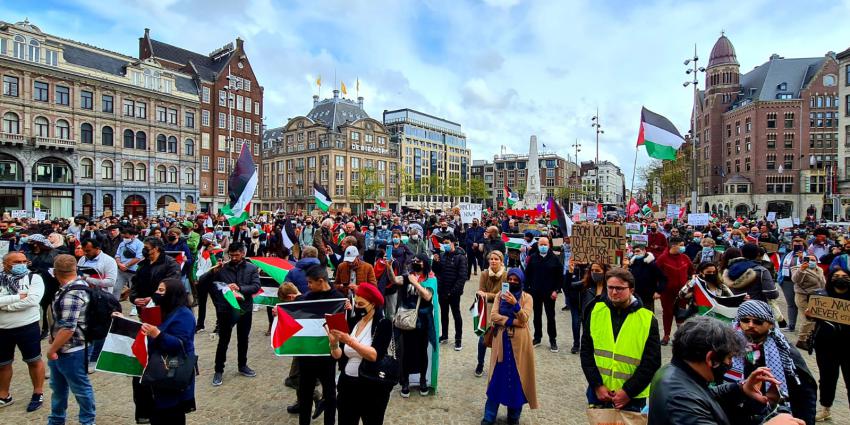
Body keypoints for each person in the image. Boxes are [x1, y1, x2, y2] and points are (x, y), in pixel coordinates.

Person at [648, 316, 806, 425]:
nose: (730, 363)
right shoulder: (681, 401)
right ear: (711, 358)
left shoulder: (676, 371)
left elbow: (706, 395)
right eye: (729, 358)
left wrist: (740, 388)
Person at [722, 300, 817, 425]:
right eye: (745, 320)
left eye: (758, 321)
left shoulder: (785, 351)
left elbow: (805, 392)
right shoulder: (728, 347)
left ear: (770, 324)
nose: (750, 325)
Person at [581, 267, 661, 412]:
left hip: (632, 397)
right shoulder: (596, 311)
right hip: (600, 393)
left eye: (619, 288)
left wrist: (627, 392)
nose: (614, 292)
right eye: (610, 287)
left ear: (631, 290)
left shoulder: (647, 319)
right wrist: (597, 385)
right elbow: (586, 352)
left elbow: (652, 362)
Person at [133, 278, 197, 425]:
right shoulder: (161, 310)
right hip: (156, 371)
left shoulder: (184, 314)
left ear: (173, 293)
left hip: (172, 371)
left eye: (161, 290)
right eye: (157, 289)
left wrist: (158, 334)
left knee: (171, 414)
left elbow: (180, 344)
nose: (157, 293)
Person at [329, 283, 394, 425]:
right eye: (356, 303)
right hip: (347, 385)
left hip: (371, 387)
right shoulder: (353, 322)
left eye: (361, 304)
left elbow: (374, 355)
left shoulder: (383, 324)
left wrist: (350, 341)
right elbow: (339, 355)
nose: (358, 307)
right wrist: (334, 343)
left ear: (373, 304)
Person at [481, 268, 537, 425]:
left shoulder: (527, 298)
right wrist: (512, 321)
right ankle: (489, 416)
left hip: (519, 345)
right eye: (510, 279)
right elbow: (493, 316)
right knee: (496, 379)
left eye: (515, 280)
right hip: (501, 342)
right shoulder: (500, 295)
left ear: (521, 281)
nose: (512, 282)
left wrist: (515, 305)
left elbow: (524, 319)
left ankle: (513, 417)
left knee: (518, 381)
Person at [200, 242, 260, 386]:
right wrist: (213, 272)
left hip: (244, 308)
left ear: (243, 254)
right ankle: (218, 370)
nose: (233, 258)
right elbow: (202, 282)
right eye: (231, 255)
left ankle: (242, 365)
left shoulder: (251, 268)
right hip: (226, 309)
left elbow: (256, 286)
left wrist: (240, 288)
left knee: (243, 338)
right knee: (223, 340)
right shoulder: (222, 268)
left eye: (236, 255)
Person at [45, 254, 96, 425]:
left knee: (80, 388)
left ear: (55, 272)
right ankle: (56, 419)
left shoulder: (71, 294)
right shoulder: (80, 285)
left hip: (73, 349)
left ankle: (87, 422)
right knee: (58, 387)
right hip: (69, 346)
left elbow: (68, 328)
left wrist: (52, 350)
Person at [294, 265, 344, 425]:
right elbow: (294, 309)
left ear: (321, 281)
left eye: (310, 282)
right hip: (307, 355)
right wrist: (279, 311)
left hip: (326, 355)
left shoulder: (338, 299)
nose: (307, 285)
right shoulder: (308, 297)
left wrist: (349, 310)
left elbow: (343, 329)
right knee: (305, 395)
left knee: (330, 395)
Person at [0, 251, 46, 412]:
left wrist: (5, 307)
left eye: (24, 261)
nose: (21, 264)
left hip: (28, 326)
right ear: (5, 264)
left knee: (34, 360)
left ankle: (38, 392)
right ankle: (4, 395)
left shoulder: (34, 278)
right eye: (16, 262)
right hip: (3, 328)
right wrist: (18, 297)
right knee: (3, 364)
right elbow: (24, 299)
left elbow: (32, 300)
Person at [809, 264, 850, 421]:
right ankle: (826, 408)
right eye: (836, 276)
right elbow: (813, 317)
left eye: (845, 277)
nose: (841, 279)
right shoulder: (821, 297)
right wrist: (810, 314)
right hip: (826, 346)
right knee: (827, 379)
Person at [398, 253, 437, 397]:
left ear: (425, 263)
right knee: (407, 351)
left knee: (422, 351)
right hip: (408, 320)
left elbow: (427, 296)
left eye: (418, 261)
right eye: (414, 260)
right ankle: (405, 381)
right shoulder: (408, 276)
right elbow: (394, 280)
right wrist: (388, 267)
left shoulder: (431, 279)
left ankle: (422, 380)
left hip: (423, 321)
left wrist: (415, 283)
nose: (415, 262)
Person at [77, 236, 118, 368]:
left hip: (102, 299)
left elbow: (111, 281)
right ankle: (87, 356)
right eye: (84, 250)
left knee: (100, 331)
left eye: (88, 250)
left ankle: (95, 359)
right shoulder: (83, 259)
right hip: (85, 297)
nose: (85, 253)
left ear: (97, 248)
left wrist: (89, 279)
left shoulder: (108, 261)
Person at [523, 236, 562, 352]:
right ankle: (537, 337)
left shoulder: (555, 259)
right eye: (541, 244)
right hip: (535, 292)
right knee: (537, 316)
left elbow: (560, 277)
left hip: (550, 293)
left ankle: (553, 340)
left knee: (550, 317)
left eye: (545, 244)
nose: (543, 246)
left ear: (549, 245)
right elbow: (527, 275)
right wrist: (527, 289)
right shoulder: (533, 258)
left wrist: (556, 290)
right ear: (538, 245)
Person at [656, 236, 695, 345]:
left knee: (681, 313)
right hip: (667, 293)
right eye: (681, 245)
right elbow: (655, 274)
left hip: (682, 293)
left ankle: (680, 335)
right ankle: (666, 336)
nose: (683, 247)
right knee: (667, 313)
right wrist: (658, 290)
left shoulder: (685, 258)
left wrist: (690, 282)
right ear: (673, 246)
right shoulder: (662, 259)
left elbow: (692, 272)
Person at [432, 235, 467, 350]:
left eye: (447, 242)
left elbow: (462, 277)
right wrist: (435, 262)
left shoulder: (460, 257)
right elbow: (436, 271)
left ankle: (458, 339)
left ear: (453, 243)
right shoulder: (442, 255)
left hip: (454, 293)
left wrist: (453, 291)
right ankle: (444, 335)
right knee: (444, 314)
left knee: (456, 315)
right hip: (442, 291)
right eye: (444, 243)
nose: (445, 245)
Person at [475, 250, 507, 377]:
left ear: (501, 261)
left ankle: (497, 366)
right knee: (482, 339)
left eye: (496, 259)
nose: (493, 261)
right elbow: (480, 292)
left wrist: (488, 295)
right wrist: (492, 295)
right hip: (486, 309)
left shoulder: (506, 275)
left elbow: (503, 296)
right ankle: (480, 363)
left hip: (500, 309)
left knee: (499, 340)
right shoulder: (484, 274)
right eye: (491, 259)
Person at [27, 234, 59, 339]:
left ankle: (46, 328)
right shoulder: (28, 253)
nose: (29, 244)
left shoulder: (51, 253)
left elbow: (49, 266)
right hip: (32, 283)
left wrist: (35, 265)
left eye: (31, 242)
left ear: (37, 243)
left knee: (46, 307)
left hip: (48, 284)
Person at [789, 254, 824, 350]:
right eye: (809, 260)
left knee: (815, 319)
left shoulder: (819, 269)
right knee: (808, 318)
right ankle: (801, 340)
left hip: (816, 297)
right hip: (803, 297)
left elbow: (822, 282)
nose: (811, 262)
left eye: (813, 260)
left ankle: (809, 338)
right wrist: (802, 270)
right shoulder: (797, 268)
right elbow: (795, 280)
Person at [193, 233, 221, 333]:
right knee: (201, 304)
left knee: (216, 303)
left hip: (212, 280)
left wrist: (211, 253)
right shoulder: (200, 250)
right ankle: (200, 325)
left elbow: (215, 265)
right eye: (203, 239)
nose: (203, 241)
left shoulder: (218, 251)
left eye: (205, 239)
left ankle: (219, 325)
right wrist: (194, 277)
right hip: (201, 280)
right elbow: (195, 265)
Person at [778, 237, 807, 331]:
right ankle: (791, 325)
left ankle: (807, 327)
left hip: (802, 282)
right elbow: (781, 267)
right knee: (791, 304)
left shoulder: (808, 255)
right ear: (792, 244)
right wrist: (780, 279)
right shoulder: (787, 254)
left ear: (803, 244)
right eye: (795, 242)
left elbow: (809, 268)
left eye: (799, 242)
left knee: (803, 305)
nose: (797, 243)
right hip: (787, 281)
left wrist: (802, 258)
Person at [627, 244, 666, 312]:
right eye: (634, 252)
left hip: (648, 297)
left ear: (644, 251)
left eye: (638, 251)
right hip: (633, 296)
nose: (635, 253)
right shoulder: (632, 264)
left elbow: (663, 278)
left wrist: (658, 291)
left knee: (647, 315)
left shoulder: (652, 264)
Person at [114, 227, 145, 303]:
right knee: (116, 289)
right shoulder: (122, 243)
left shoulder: (140, 244)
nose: (125, 238)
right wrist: (119, 264)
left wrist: (126, 265)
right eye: (123, 237)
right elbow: (117, 255)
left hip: (133, 271)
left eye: (127, 237)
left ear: (133, 235)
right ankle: (114, 305)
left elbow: (138, 257)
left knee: (134, 291)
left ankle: (135, 307)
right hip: (121, 270)